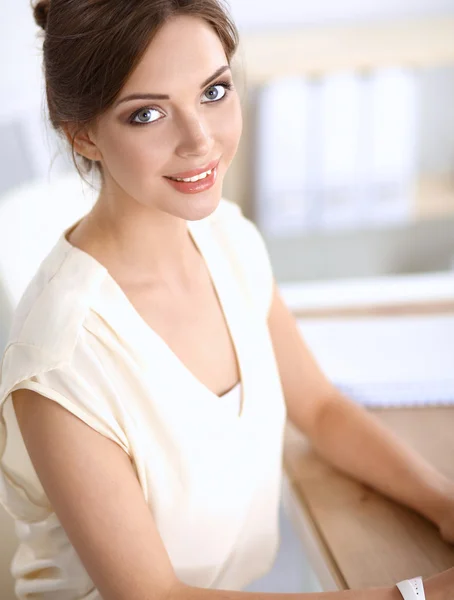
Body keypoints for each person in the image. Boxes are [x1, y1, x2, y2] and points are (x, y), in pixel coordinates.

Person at [0, 1, 453, 599]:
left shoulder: (228, 238)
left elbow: (318, 408)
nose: (200, 141)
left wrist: (443, 503)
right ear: (83, 133)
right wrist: (420, 594)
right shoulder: (60, 366)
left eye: (213, 92)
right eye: (148, 114)